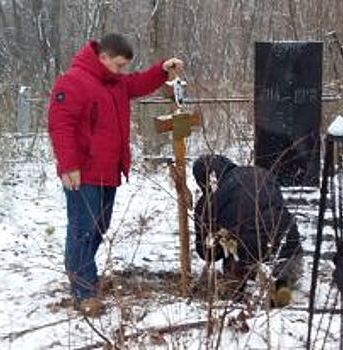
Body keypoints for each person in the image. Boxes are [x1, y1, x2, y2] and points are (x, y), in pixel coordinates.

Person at [47, 33, 183, 316]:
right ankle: (84, 290)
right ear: (103, 57)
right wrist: (68, 165)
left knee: (99, 226)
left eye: (124, 66)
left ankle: (78, 271)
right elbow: (60, 125)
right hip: (82, 172)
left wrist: (161, 69)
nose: (122, 71)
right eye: (118, 65)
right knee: (83, 229)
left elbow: (138, 83)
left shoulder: (115, 82)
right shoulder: (72, 81)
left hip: (109, 170)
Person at [192, 155, 303, 305]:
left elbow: (205, 252)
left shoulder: (208, 202)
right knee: (280, 269)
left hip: (249, 254)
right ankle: (281, 285)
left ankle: (237, 295)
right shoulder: (262, 173)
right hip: (291, 248)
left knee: (231, 245)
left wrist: (218, 243)